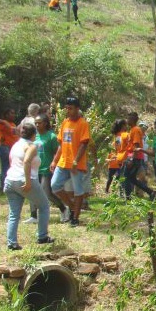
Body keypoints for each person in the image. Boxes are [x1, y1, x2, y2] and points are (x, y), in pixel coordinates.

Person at [3, 123, 54, 250]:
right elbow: (26, 162)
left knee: (14, 213)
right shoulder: (31, 146)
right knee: (44, 206)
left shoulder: (16, 145)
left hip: (10, 180)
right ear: (34, 135)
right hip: (24, 180)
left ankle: (12, 243)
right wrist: (27, 181)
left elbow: (11, 161)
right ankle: (42, 236)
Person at [49, 97, 90, 227]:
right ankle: (72, 207)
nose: (68, 110)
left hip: (75, 164)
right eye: (66, 108)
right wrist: (55, 161)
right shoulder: (65, 122)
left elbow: (84, 144)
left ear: (77, 109)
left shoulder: (83, 123)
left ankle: (75, 217)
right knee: (55, 185)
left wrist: (76, 161)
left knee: (78, 190)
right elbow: (61, 144)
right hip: (63, 162)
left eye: (70, 108)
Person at [29, 114, 70, 223]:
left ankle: (64, 208)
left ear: (45, 123)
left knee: (46, 193)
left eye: (39, 123)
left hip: (46, 169)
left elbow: (58, 152)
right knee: (32, 191)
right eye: (36, 123)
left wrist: (54, 163)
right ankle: (33, 216)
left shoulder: (51, 137)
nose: (37, 125)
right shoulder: (34, 136)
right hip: (34, 169)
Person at [123, 112, 156, 201]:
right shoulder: (132, 129)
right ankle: (151, 192)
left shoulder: (136, 130)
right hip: (135, 157)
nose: (127, 120)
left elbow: (137, 145)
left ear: (133, 119)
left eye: (129, 118)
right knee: (132, 178)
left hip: (135, 157)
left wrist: (131, 159)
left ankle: (128, 198)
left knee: (127, 177)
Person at [0, 108, 20, 187]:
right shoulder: (2, 124)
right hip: (5, 148)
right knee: (6, 166)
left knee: (11, 166)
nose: (14, 115)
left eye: (14, 113)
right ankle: (4, 184)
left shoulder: (13, 124)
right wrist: (4, 122)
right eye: (11, 113)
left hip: (12, 149)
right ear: (6, 115)